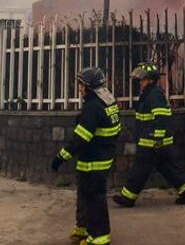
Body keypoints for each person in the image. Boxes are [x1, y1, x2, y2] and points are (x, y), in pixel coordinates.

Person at [52, 67, 121, 245]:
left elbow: (81, 138)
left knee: (94, 197)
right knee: (84, 194)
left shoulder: (93, 106)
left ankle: (99, 237)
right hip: (98, 157)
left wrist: (61, 157)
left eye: (81, 84)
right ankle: (82, 229)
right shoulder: (108, 101)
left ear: (89, 87)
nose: (79, 88)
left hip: (94, 161)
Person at [112, 62, 185, 208]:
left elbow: (161, 117)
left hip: (151, 141)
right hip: (155, 141)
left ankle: (128, 197)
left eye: (142, 79)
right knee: (167, 167)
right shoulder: (149, 94)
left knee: (139, 169)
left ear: (150, 80)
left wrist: (156, 138)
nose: (140, 82)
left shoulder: (154, 94)